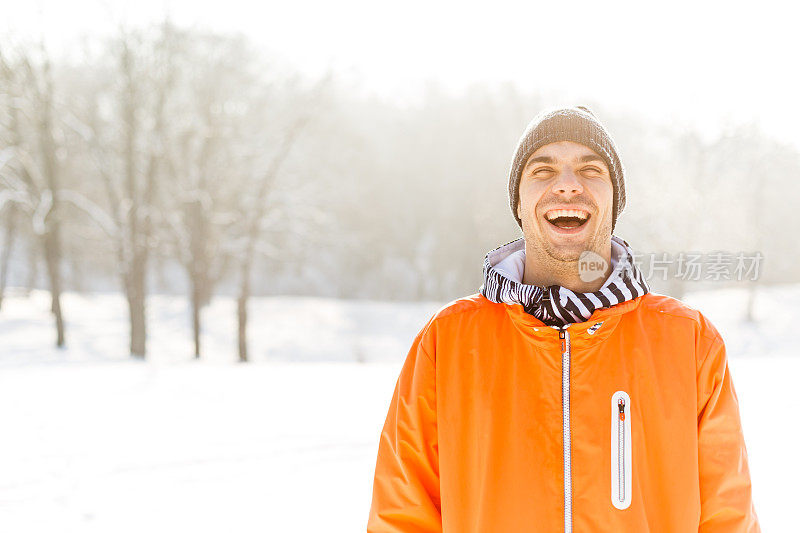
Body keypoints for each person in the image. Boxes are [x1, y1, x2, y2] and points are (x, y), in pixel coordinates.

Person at [366, 106, 760, 532]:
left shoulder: (689, 341)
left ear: (616, 199)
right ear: (519, 201)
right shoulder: (449, 340)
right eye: (542, 170)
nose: (568, 185)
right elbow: (402, 514)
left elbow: (728, 518)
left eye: (591, 169)